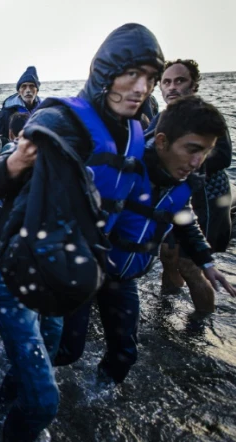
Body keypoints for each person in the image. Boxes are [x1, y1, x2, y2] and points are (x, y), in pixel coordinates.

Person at [0, 23, 166, 442]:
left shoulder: (135, 133)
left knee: (57, 346)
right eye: (132, 73)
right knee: (46, 403)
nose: (141, 87)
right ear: (105, 71)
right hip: (15, 270)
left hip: (63, 269)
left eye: (151, 78)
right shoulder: (57, 120)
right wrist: (14, 164)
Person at [55, 95, 236, 386]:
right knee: (66, 351)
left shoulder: (184, 179)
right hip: (87, 272)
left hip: (123, 278)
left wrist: (206, 261)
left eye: (205, 152)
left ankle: (97, 400)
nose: (196, 161)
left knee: (125, 353)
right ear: (162, 141)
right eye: (192, 149)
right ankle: (18, 381)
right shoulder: (122, 167)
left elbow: (184, 217)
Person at [152, 59, 234, 312]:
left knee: (190, 266)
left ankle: (200, 324)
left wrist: (184, 163)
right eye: (167, 82)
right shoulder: (162, 118)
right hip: (177, 200)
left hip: (207, 198)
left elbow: (223, 155)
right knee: (167, 255)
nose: (172, 87)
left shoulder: (205, 116)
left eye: (180, 81)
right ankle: (166, 308)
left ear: (194, 85)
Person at [0, 66, 42, 144]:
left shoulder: (43, 110)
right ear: (19, 92)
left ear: (37, 91)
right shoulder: (6, 113)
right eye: (24, 86)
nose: (28, 90)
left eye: (32, 86)